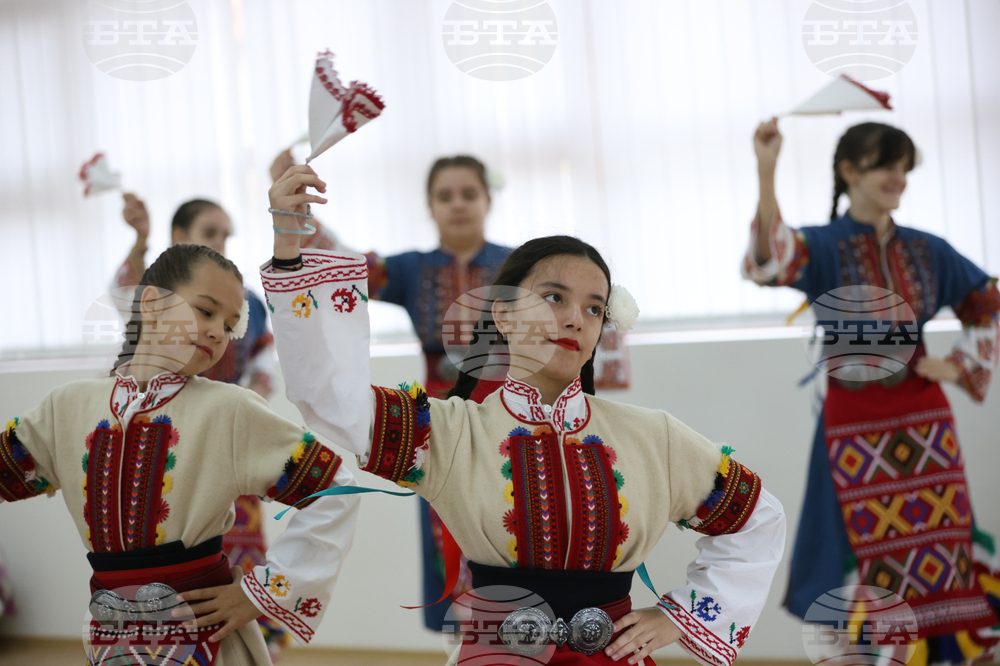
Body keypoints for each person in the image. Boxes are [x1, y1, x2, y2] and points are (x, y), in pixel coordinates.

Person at [260, 164, 787, 665]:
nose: (573, 319)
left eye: (593, 308)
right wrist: (288, 249)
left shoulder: (654, 437)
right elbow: (328, 397)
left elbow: (758, 517)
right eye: (553, 297)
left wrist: (683, 615)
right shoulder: (448, 432)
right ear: (504, 314)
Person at [2, 244, 359, 665]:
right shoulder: (68, 407)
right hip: (111, 636)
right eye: (205, 311)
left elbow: (335, 488)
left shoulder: (230, 409)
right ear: (151, 303)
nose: (216, 332)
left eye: (229, 326)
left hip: (203, 636)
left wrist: (261, 593)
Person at [743, 119, 1000, 662]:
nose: (898, 176)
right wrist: (767, 170)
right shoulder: (827, 247)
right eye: (886, 163)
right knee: (847, 544)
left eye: (904, 166)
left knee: (943, 543)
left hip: (925, 417)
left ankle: (944, 654)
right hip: (852, 420)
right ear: (849, 171)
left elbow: (987, 302)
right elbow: (771, 260)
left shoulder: (929, 250)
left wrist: (958, 366)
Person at [272, 149, 512, 629]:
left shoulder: (517, 266)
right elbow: (341, 263)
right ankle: (463, 644)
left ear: (488, 198)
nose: (458, 204)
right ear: (430, 206)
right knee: (446, 523)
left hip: (507, 417)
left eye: (468, 193)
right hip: (438, 424)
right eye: (445, 196)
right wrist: (296, 208)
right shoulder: (412, 269)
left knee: (510, 521)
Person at [112, 192, 347, 658]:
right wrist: (139, 240)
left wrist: (246, 402)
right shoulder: (155, 295)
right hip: (156, 445)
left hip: (229, 442)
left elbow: (263, 357)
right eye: (209, 233)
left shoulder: (250, 307)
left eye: (228, 322)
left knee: (235, 569)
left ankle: (254, 643)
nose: (219, 329)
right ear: (179, 238)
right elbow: (126, 297)